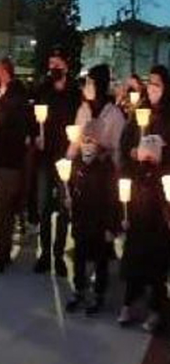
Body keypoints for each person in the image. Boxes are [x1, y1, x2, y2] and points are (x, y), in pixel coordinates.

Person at [117, 65, 170, 331]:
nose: (152, 88)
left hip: (161, 196)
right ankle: (129, 300)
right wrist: (134, 154)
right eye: (150, 83)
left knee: (157, 253)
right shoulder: (139, 113)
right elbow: (125, 144)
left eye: (158, 84)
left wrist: (162, 158)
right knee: (135, 249)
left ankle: (156, 308)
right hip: (138, 191)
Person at [0, 58, 30, 276]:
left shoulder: (14, 96)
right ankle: (2, 249)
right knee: (3, 208)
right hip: (1, 158)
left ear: (3, 71)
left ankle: (2, 253)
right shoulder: (3, 93)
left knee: (4, 207)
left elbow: (12, 124)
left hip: (10, 158)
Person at [32, 53, 80, 276]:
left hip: (65, 158)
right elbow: (34, 118)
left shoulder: (74, 92)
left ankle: (59, 255)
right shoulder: (44, 89)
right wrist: (36, 136)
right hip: (45, 157)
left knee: (63, 208)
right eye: (50, 64)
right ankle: (44, 255)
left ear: (66, 66)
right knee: (43, 207)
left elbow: (81, 121)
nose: (53, 68)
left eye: (57, 65)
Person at [65, 122, 121, 315]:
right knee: (79, 257)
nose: (88, 144)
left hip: (100, 222)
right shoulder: (78, 162)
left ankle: (99, 293)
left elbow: (113, 199)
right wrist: (69, 199)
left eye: (92, 140)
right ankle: (79, 289)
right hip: (82, 220)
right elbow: (71, 186)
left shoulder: (107, 166)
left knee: (100, 259)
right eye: (85, 139)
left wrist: (111, 227)